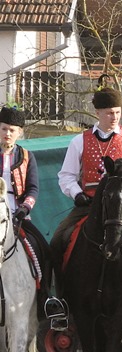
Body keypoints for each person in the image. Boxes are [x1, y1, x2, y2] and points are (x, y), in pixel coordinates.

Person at [47, 86, 122, 327]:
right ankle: (60, 301)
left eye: (117, 112)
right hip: (89, 205)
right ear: (98, 113)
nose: (114, 117)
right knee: (57, 240)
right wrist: (77, 193)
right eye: (109, 113)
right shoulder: (78, 141)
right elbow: (66, 175)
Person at [0, 105, 55, 321]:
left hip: (19, 217)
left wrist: (25, 208)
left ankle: (45, 299)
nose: (7, 134)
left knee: (44, 250)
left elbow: (33, 188)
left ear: (19, 132)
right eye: (4, 129)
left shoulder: (26, 156)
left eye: (12, 130)